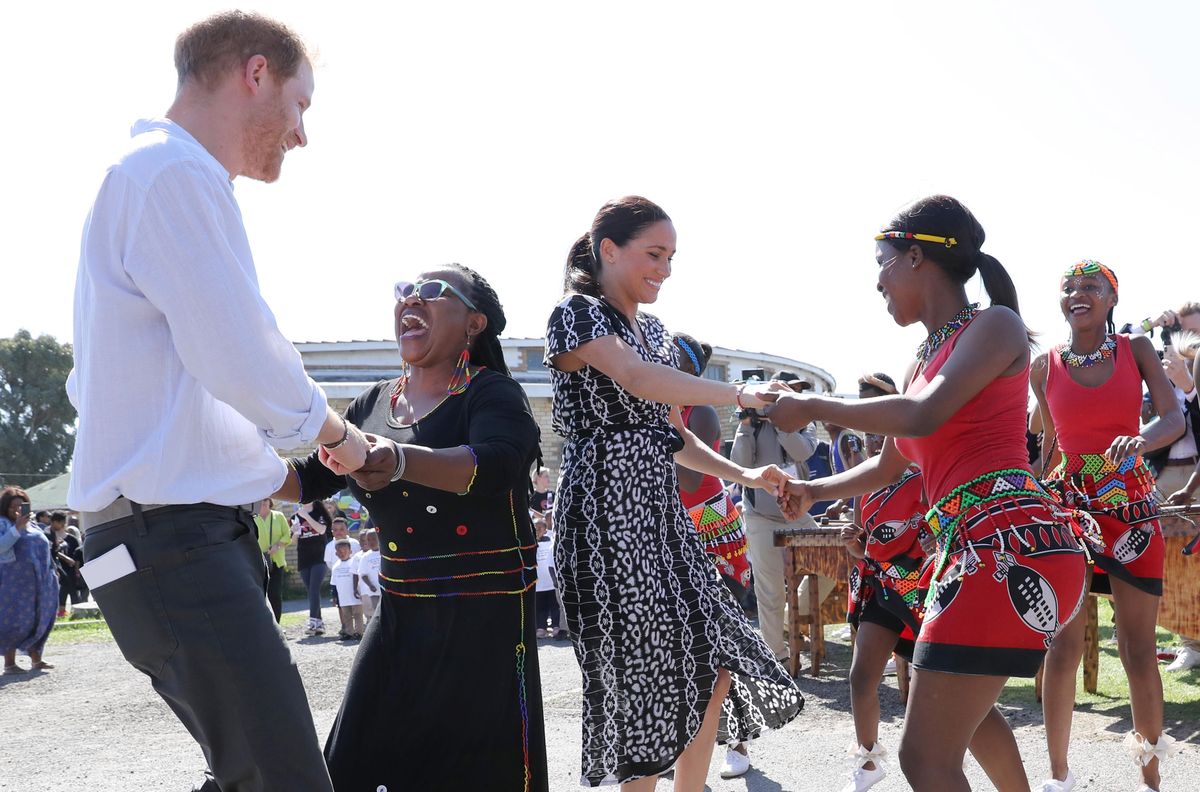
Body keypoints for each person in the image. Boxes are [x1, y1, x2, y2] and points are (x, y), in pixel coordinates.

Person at [66, 12, 369, 791]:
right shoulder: (174, 173)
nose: (302, 134)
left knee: (252, 775)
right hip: (175, 544)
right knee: (286, 782)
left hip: (169, 540)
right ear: (256, 73)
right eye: (302, 105)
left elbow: (182, 401)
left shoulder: (152, 174)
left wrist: (291, 478)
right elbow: (239, 354)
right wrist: (342, 438)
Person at [771, 195, 1088, 792]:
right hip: (972, 549)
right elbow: (893, 463)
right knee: (960, 723)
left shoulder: (995, 324)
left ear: (916, 256)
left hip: (1003, 545)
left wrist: (812, 404)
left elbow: (920, 415)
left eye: (883, 261)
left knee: (923, 758)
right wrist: (812, 487)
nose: (878, 281)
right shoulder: (924, 358)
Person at [545, 196, 801, 791]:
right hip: (605, 518)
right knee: (646, 682)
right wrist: (740, 396)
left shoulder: (655, 331)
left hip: (661, 520)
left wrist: (747, 477)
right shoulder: (577, 314)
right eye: (653, 254)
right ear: (608, 250)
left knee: (713, 663)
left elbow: (671, 433)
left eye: (671, 258)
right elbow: (636, 379)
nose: (664, 269)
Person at [275, 263, 550, 791]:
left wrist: (399, 459)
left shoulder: (494, 394)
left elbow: (495, 465)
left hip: (485, 617)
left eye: (431, 292)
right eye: (404, 292)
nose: (410, 301)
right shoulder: (372, 403)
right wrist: (234, 471)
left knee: (476, 770)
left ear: (474, 324)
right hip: (400, 610)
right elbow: (305, 480)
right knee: (358, 755)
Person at [1031, 260, 1184, 792]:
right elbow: (1048, 447)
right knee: (1062, 646)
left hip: (1131, 506)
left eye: (1091, 286)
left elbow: (1174, 419)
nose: (1078, 294)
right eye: (1069, 288)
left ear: (1112, 299)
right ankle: (1059, 777)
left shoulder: (1135, 349)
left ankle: (1150, 779)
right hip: (1069, 507)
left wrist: (1140, 438)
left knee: (1138, 650)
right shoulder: (1043, 366)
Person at [673, 332, 757, 781]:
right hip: (676, 534)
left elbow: (688, 479)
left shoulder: (698, 411)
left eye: (666, 355)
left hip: (712, 534)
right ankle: (688, 746)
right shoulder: (662, 406)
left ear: (685, 367)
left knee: (721, 648)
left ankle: (739, 743)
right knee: (685, 650)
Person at [730, 370, 822, 665]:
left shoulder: (805, 421)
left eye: (796, 392)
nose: (792, 397)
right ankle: (776, 658)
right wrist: (746, 423)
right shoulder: (753, 424)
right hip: (761, 515)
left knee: (833, 562)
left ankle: (788, 620)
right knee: (769, 589)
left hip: (798, 513)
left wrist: (782, 422)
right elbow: (740, 464)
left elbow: (802, 452)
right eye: (785, 392)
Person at [0, 487, 59, 674]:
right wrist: (17, 527)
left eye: (21, 506)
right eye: (13, 507)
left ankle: (37, 660)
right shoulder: (3, 524)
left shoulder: (32, 525)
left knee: (41, 617)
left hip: (41, 581)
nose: (17, 510)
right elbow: (1, 547)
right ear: (4, 507)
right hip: (13, 583)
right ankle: (10, 664)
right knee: (13, 620)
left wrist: (53, 571)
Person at [294, 500, 334, 635]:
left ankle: (312, 623)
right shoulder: (296, 515)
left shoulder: (319, 513)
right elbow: (293, 540)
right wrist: (294, 532)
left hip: (319, 556)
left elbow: (322, 530)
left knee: (314, 589)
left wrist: (306, 516)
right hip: (304, 558)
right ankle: (319, 623)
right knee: (311, 591)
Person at [254, 498, 292, 623]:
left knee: (275, 594)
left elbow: (287, 534)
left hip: (276, 561)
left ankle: (277, 623)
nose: (263, 502)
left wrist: (278, 545)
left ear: (270, 502)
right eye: (260, 500)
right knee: (259, 595)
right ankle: (264, 624)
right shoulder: (253, 518)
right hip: (258, 561)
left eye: (266, 499)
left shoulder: (278, 516)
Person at [48, 511, 86, 616]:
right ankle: (61, 612)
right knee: (61, 592)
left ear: (61, 523)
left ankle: (76, 613)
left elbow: (77, 557)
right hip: (55, 570)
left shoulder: (72, 540)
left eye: (54, 522)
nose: (52, 525)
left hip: (70, 571)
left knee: (73, 592)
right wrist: (62, 556)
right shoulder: (48, 537)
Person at [329, 538, 363, 640]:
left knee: (358, 614)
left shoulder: (354, 563)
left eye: (345, 551)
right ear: (336, 553)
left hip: (355, 595)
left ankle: (359, 632)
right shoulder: (335, 566)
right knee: (346, 616)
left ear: (350, 551)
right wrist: (334, 596)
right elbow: (333, 583)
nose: (342, 553)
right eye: (340, 551)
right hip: (343, 597)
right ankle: (349, 632)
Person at [354, 529, 381, 622]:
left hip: (386, 590)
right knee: (377, 613)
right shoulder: (365, 557)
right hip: (374, 591)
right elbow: (363, 574)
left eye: (373, 539)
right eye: (368, 540)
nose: (371, 542)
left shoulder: (384, 553)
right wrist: (370, 585)